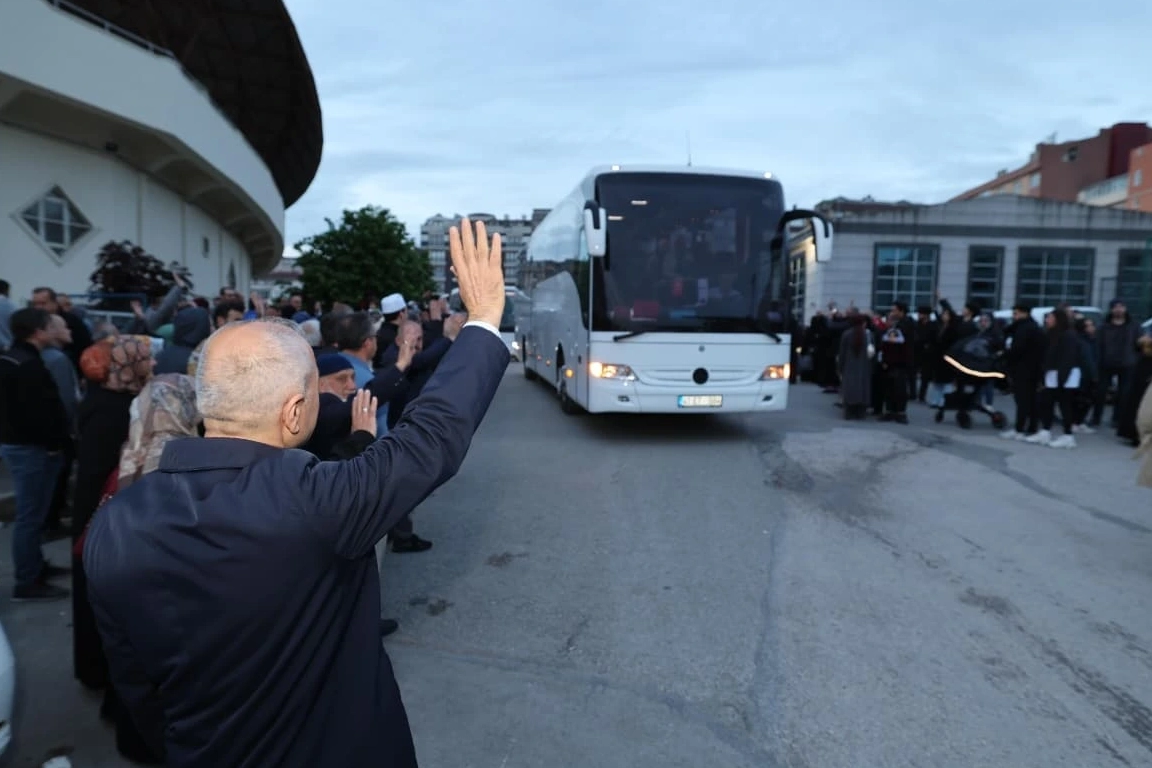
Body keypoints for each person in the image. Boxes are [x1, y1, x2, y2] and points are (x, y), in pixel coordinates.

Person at [83, 218, 510, 767]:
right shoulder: (315, 502)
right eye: (315, 389)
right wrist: (484, 319)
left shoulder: (113, 522)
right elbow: (432, 438)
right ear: (293, 413)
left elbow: (136, 687)